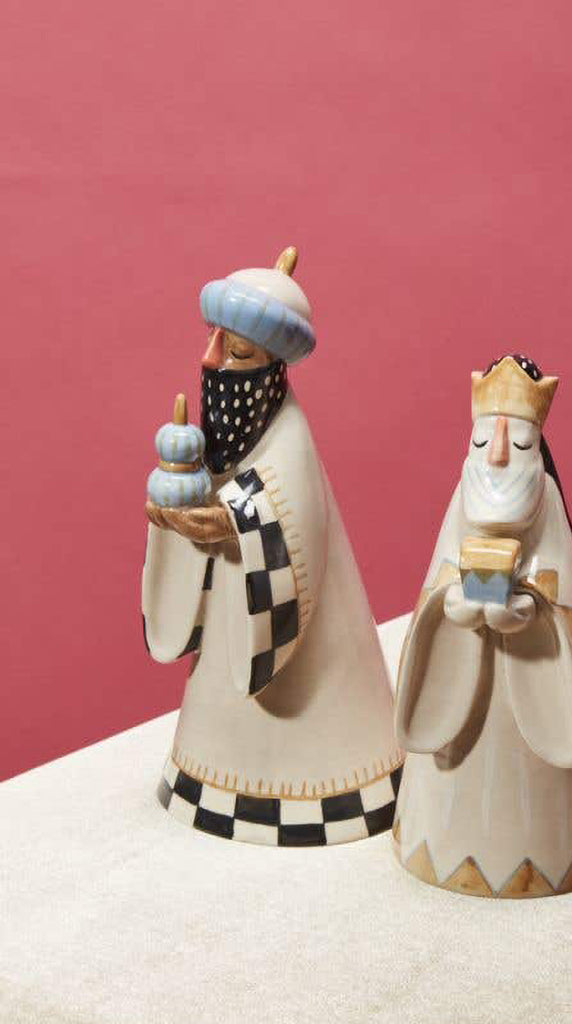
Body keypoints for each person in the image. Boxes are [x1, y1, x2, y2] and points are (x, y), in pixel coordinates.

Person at [142, 247, 401, 846]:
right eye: (212, 340)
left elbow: (291, 513)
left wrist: (228, 522)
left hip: (312, 660)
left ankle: (325, 792)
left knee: (316, 717)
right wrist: (176, 503)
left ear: (272, 367)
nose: (210, 360)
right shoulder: (224, 438)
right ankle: (208, 776)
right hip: (226, 655)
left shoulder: (289, 437)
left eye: (235, 352)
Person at [394, 354, 572, 896]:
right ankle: (441, 843)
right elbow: (441, 581)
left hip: (538, 707)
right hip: (461, 724)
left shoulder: (547, 504)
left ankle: (557, 850)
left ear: (538, 452)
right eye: (481, 443)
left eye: (520, 445)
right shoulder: (462, 501)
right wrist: (453, 607)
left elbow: (563, 595)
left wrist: (533, 612)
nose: (497, 454)